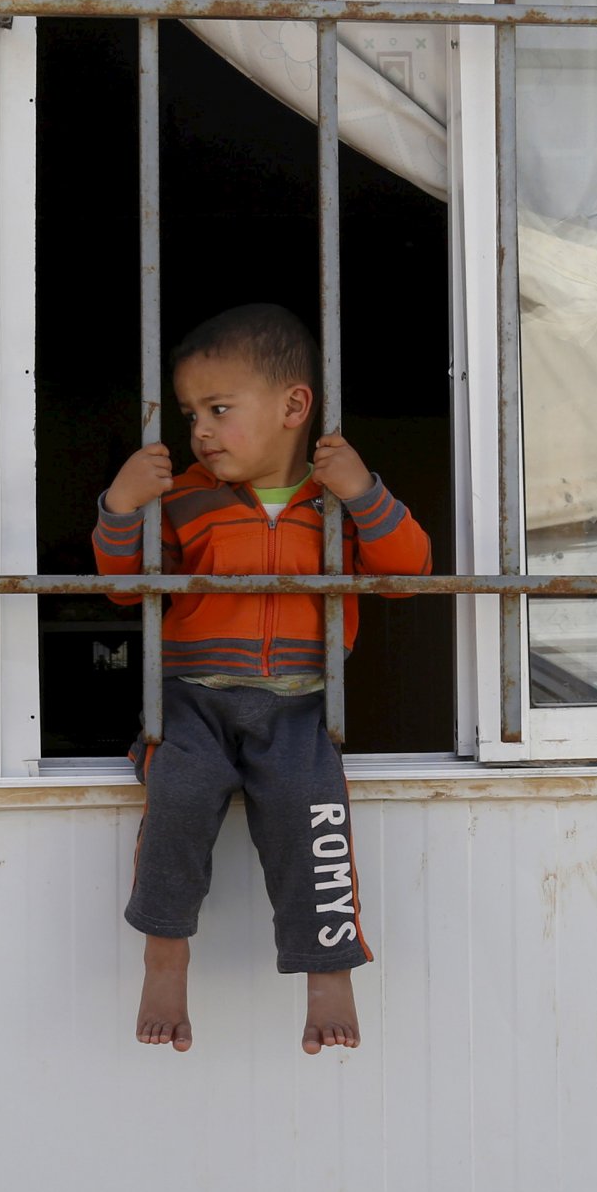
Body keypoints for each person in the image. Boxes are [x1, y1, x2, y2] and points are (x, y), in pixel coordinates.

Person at [93, 304, 433, 1055]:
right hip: (193, 700)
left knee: (316, 822)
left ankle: (328, 973)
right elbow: (125, 587)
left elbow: (408, 575)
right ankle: (165, 953)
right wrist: (121, 507)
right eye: (190, 414)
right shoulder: (183, 497)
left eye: (219, 409)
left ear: (293, 406)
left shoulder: (335, 501)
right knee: (176, 801)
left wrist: (365, 491)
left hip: (302, 706)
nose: (201, 431)